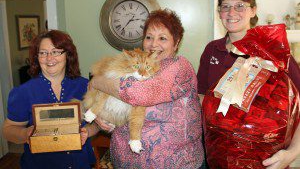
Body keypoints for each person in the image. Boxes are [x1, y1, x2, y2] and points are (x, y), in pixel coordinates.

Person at [83, 9, 205, 168]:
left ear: (176, 42)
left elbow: (138, 94)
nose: (154, 44)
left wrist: (96, 81)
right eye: (149, 37)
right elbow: (115, 101)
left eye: (162, 38)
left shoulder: (179, 67)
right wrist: (100, 114)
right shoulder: (137, 66)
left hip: (174, 163)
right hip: (125, 162)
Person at [197, 0, 300, 169]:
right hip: (218, 158)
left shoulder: (273, 52)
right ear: (219, 12)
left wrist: (291, 153)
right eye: (225, 6)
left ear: (253, 11)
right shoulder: (212, 50)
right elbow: (202, 98)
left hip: (267, 161)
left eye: (240, 6)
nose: (231, 12)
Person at [2, 30, 95, 169]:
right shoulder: (23, 92)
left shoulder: (85, 86)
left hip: (79, 163)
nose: (49, 58)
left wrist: (87, 132)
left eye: (56, 51)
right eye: (43, 53)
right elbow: (8, 130)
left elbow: (98, 123)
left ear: (67, 55)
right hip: (40, 164)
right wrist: (25, 134)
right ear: (37, 57)